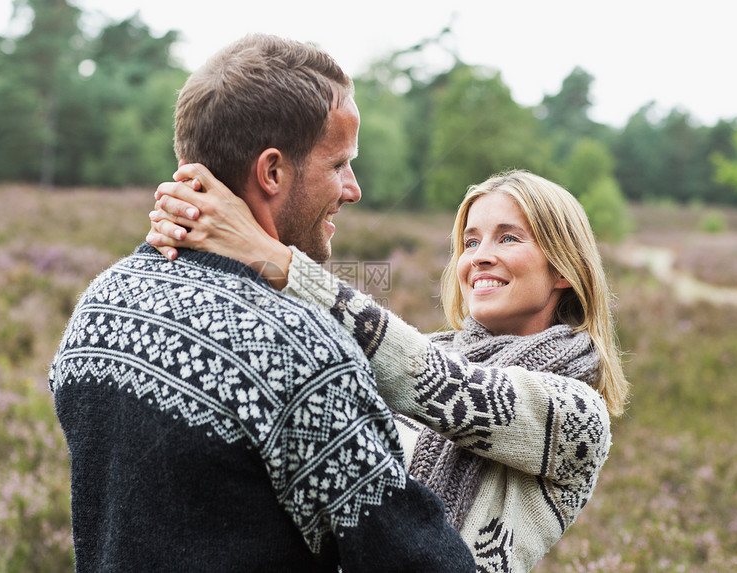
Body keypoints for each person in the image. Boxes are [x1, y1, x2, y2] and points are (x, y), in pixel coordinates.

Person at [49, 34, 475, 572]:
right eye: (339, 164)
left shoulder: (100, 307)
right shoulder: (300, 351)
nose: (354, 188)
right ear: (272, 171)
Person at [147, 166, 628, 572]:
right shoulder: (424, 352)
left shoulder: (579, 416)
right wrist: (190, 242)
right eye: (470, 240)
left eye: (509, 237)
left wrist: (265, 254)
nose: (479, 255)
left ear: (564, 269)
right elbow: (315, 356)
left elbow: (433, 381)